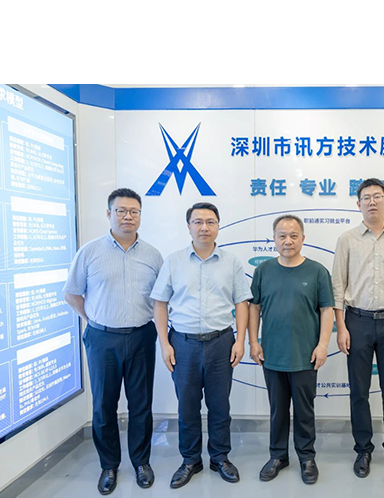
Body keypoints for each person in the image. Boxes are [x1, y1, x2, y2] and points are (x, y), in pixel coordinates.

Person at [64, 188, 163, 495]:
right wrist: (94, 320)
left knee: (141, 404)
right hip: (102, 338)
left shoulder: (153, 255)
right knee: (104, 405)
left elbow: (161, 300)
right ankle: (109, 465)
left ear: (140, 215)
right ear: (109, 214)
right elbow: (72, 293)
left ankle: (141, 462)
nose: (127, 216)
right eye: (121, 211)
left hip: (141, 336)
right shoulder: (90, 252)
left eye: (134, 211)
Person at [150, 202, 251, 489]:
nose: (204, 227)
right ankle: (190, 460)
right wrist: (164, 344)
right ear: (189, 227)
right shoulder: (174, 262)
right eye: (198, 222)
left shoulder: (231, 262)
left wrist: (240, 340)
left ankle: (220, 457)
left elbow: (241, 303)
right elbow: (160, 303)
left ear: (218, 225)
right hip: (183, 344)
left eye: (210, 222)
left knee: (220, 406)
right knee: (188, 407)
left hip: (221, 343)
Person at [332, 178, 384, 479]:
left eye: (377, 196)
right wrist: (341, 327)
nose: (372, 202)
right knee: (359, 391)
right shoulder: (347, 239)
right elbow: (338, 287)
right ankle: (363, 450)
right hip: (357, 322)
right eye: (366, 197)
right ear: (358, 204)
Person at [249, 215, 334, 485]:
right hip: (272, 355)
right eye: (282, 236)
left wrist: (323, 345)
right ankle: (278, 456)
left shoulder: (317, 272)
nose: (288, 241)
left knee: (304, 410)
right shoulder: (263, 270)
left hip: (305, 355)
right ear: (274, 239)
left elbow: (327, 310)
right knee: (277, 410)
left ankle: (307, 457)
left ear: (303, 238)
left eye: (294, 235)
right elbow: (254, 307)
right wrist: (253, 342)